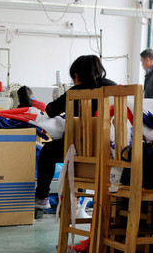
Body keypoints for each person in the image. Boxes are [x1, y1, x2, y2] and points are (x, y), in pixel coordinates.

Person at [35, 55, 117, 208]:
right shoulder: (115, 88)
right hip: (111, 151)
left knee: (48, 151)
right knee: (84, 142)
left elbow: (50, 110)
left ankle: (42, 197)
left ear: (77, 75)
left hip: (82, 151)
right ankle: (76, 199)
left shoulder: (77, 91)